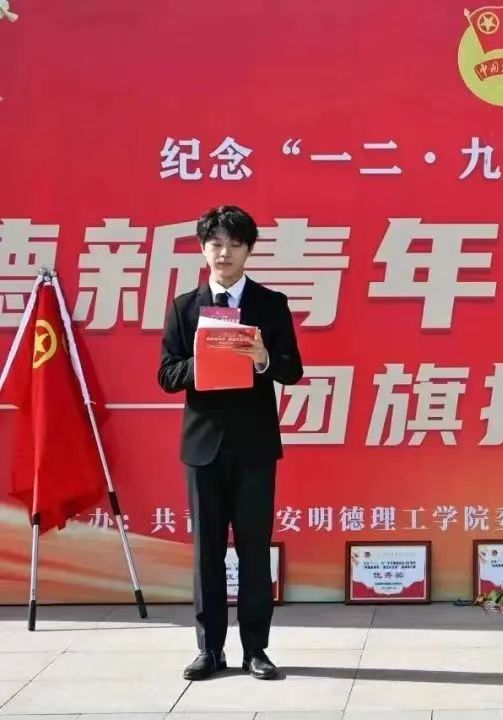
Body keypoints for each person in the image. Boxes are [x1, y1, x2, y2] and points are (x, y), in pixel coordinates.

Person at [158, 205, 303, 680]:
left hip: (255, 447)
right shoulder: (184, 307)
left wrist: (263, 357)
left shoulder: (270, 304)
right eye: (216, 244)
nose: (224, 253)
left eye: (234, 245)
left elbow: (293, 369)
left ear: (248, 250)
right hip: (203, 448)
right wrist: (202, 360)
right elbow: (166, 375)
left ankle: (255, 649)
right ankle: (210, 650)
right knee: (207, 553)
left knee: (255, 549)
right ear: (203, 249)